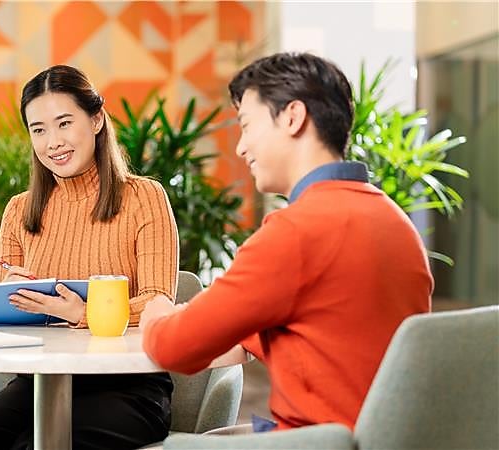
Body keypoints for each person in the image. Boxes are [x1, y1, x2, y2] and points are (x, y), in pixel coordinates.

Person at [140, 52, 433, 432]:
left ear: (293, 117)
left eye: (246, 125)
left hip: (313, 441)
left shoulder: (295, 230)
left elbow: (172, 348)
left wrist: (157, 314)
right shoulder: (395, 222)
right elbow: (336, 336)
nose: (241, 147)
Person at [0, 65, 179, 450]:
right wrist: (10, 299)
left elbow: (159, 300)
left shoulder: (144, 197)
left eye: (64, 123)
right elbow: (4, 327)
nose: (52, 142)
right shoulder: (19, 210)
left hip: (128, 385)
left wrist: (83, 313)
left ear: (96, 120)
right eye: (38, 130)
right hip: (41, 382)